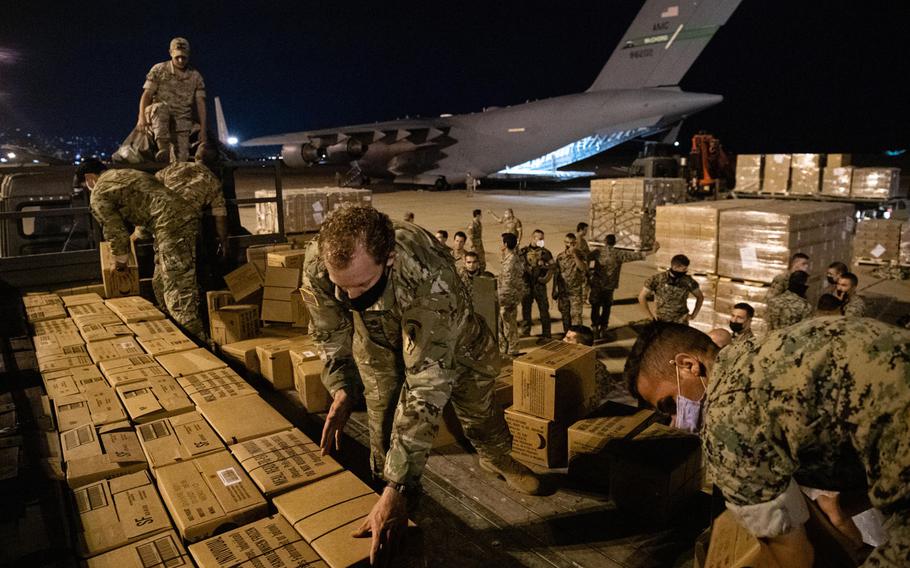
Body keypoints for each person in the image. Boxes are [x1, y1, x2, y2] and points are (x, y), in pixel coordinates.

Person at [301, 206, 541, 564]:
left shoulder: (429, 274)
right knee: (383, 420)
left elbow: (425, 386)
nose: (352, 298)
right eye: (342, 287)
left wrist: (398, 482)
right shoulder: (321, 260)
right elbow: (329, 329)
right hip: (378, 342)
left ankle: (494, 456)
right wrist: (342, 385)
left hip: (450, 336)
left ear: (391, 258)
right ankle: (398, 505)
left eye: (363, 285)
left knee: (476, 399)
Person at [623, 318, 910, 568]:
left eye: (670, 404)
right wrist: (847, 503)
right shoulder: (762, 352)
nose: (675, 420)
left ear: (688, 365)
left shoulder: (728, 415)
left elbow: (794, 556)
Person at [78, 159, 208, 339]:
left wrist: (121, 262)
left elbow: (114, 231)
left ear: (89, 178)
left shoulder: (99, 192)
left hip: (171, 227)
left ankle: (201, 345)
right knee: (160, 284)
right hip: (178, 220)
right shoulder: (128, 173)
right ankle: (176, 336)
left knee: (177, 295)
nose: (88, 189)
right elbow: (150, 204)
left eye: (86, 185)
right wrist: (136, 236)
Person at [153, 144, 229, 312]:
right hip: (187, 229)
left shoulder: (171, 169)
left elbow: (150, 192)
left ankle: (165, 314)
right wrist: (223, 241)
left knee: (162, 270)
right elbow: (220, 215)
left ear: (196, 157)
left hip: (162, 226)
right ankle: (192, 318)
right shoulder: (211, 178)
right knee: (190, 277)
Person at [138, 37, 207, 163]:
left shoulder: (195, 76)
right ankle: (162, 148)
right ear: (171, 53)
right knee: (161, 108)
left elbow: (201, 103)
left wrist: (203, 129)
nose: (180, 60)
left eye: (184, 57)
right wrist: (141, 118)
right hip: (158, 115)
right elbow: (146, 95)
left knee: (181, 160)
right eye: (177, 57)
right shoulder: (159, 69)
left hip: (182, 119)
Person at [590, 234, 654, 337]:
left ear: (605, 242)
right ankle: (603, 327)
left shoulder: (598, 252)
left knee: (595, 306)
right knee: (607, 307)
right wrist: (653, 250)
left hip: (597, 284)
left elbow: (586, 257)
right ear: (614, 243)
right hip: (609, 286)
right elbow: (637, 256)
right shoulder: (618, 254)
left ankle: (594, 327)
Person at [638, 254, 702, 325]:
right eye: (683, 269)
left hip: (681, 322)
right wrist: (650, 316)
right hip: (661, 321)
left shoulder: (688, 281)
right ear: (675, 267)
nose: (685, 271)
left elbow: (700, 297)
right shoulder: (657, 279)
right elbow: (641, 297)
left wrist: (693, 315)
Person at [519, 229, 554, 341]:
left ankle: (546, 334)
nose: (542, 241)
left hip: (539, 285)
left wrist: (544, 270)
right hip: (526, 285)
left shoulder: (545, 253)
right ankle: (526, 331)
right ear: (533, 238)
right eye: (540, 239)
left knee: (544, 310)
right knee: (526, 309)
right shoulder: (523, 252)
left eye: (543, 239)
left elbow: (553, 267)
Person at [497, 233, 526, 357]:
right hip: (509, 295)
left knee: (509, 323)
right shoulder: (510, 257)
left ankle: (512, 350)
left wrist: (500, 296)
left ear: (505, 244)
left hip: (508, 296)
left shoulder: (511, 260)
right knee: (504, 323)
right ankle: (505, 348)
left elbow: (508, 281)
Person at [553, 233, 587, 331]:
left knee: (576, 316)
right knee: (565, 316)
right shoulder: (560, 257)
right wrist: (554, 289)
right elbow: (557, 274)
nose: (569, 245)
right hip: (563, 292)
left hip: (575, 292)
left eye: (572, 243)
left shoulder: (581, 255)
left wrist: (575, 255)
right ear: (565, 242)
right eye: (567, 242)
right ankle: (567, 335)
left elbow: (583, 268)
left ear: (575, 243)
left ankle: (578, 337)